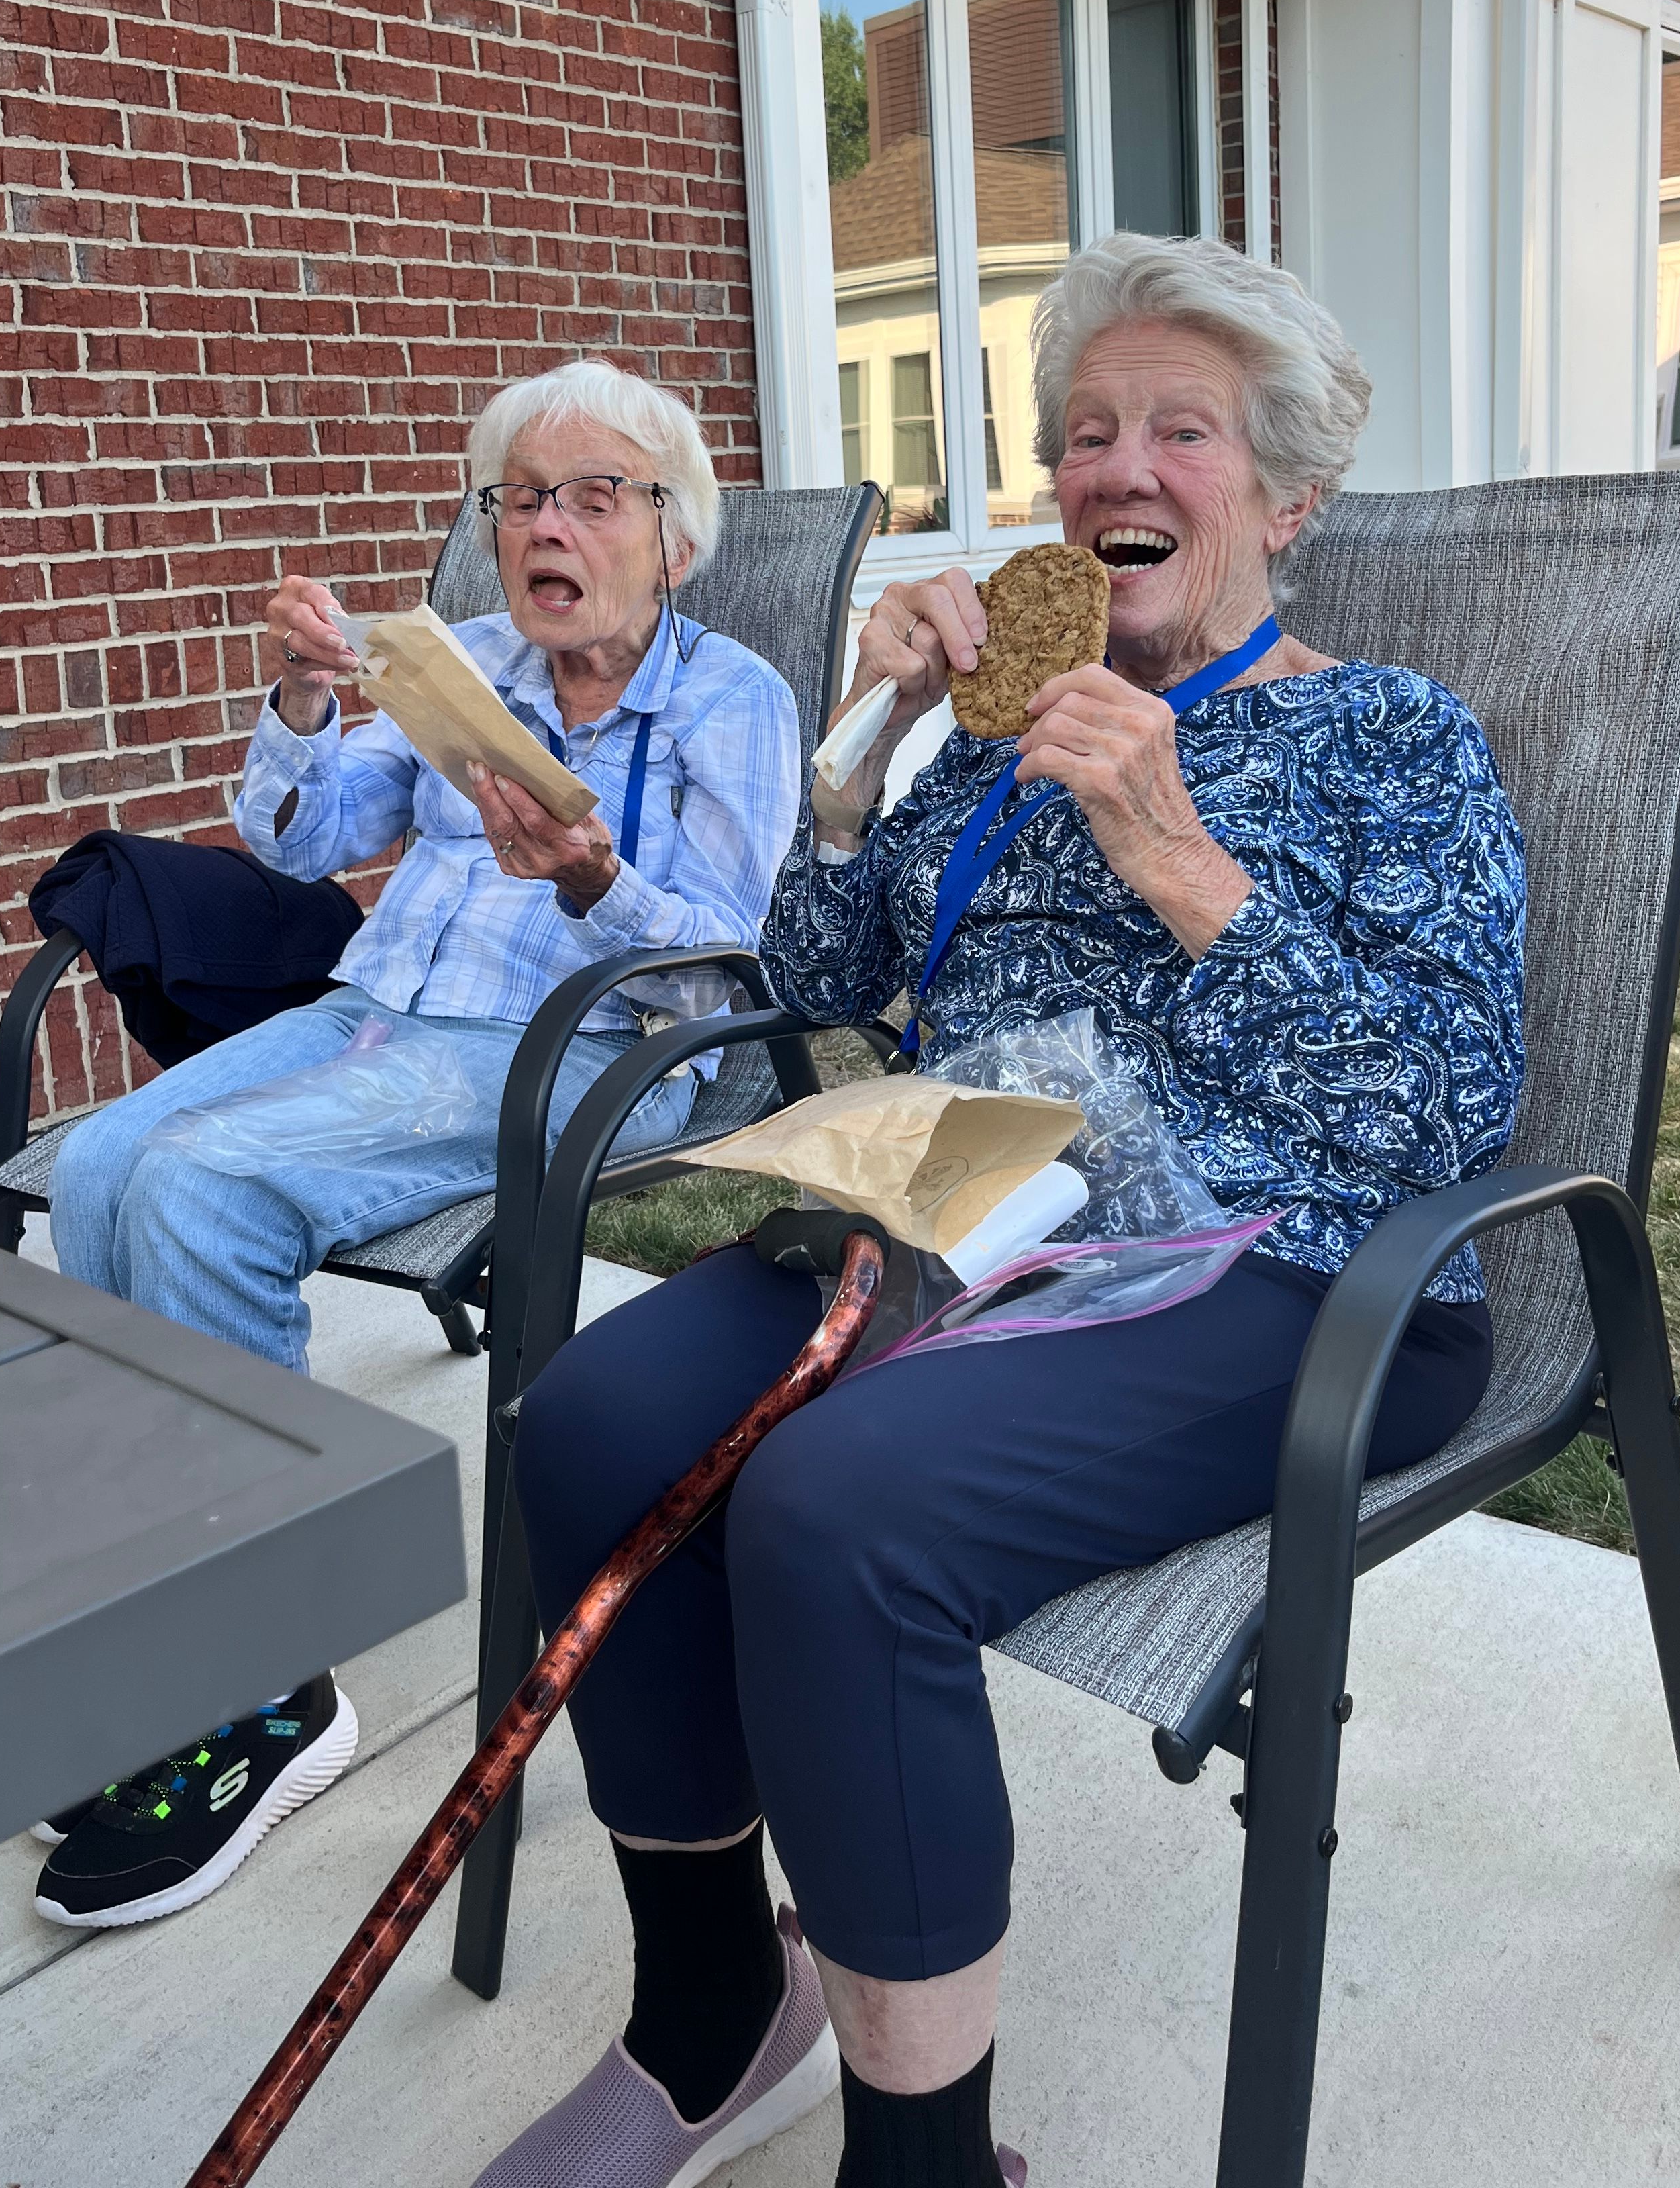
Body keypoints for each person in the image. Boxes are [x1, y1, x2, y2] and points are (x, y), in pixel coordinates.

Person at [480, 236, 1526, 2188]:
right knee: (595, 1427)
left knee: (838, 1508)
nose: (1116, 468)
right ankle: (718, 2005)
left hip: (1282, 1264)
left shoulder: (1396, 738)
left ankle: (929, 2153)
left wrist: (1177, 852)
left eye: (1180, 431)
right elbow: (812, 979)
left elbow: (1446, 1103)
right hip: (962, 1213)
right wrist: (872, 752)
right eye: (1083, 433)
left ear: (1287, 497)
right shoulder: (1007, 727)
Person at [33, 358, 800, 1932]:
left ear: (678, 536)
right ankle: (190, 1606)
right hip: (374, 1009)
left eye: (596, 495)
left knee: (201, 1190)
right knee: (105, 1166)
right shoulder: (467, 669)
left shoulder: (736, 700)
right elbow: (308, 842)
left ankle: (271, 1685)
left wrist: (591, 882)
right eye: (521, 497)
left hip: (579, 1051)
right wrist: (310, 703)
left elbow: (728, 964)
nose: (549, 525)